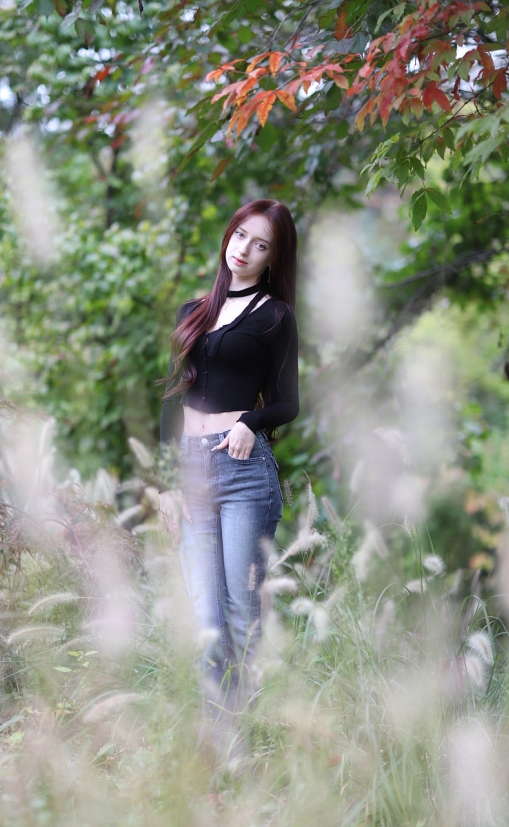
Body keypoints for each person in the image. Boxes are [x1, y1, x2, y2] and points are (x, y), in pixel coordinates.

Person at [158, 199, 299, 764]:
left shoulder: (275, 317)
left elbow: (288, 403)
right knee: (205, 619)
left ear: (273, 258)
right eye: (241, 235)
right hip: (191, 471)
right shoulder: (193, 310)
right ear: (229, 236)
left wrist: (250, 422)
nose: (244, 249)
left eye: (260, 244)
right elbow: (172, 398)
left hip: (243, 473)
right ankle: (217, 747)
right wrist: (166, 482)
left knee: (242, 614)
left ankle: (241, 746)